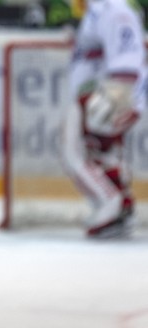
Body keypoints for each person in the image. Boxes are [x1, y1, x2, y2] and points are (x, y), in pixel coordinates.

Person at [62, 0, 146, 239]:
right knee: (103, 155)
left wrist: (118, 94)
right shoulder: (97, 11)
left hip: (109, 93)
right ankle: (122, 210)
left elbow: (127, 56)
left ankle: (111, 204)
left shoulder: (113, 10)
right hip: (99, 93)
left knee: (74, 152)